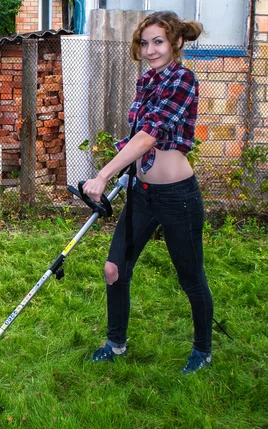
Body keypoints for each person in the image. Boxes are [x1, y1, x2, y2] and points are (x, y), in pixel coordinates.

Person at [81, 11, 213, 374]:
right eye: (145, 42)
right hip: (141, 193)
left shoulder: (183, 79)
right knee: (113, 269)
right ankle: (116, 343)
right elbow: (136, 138)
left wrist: (104, 174)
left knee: (191, 278)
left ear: (176, 43)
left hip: (177, 197)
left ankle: (202, 350)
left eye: (158, 41)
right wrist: (112, 163)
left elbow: (150, 135)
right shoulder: (146, 82)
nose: (151, 50)